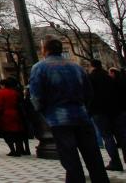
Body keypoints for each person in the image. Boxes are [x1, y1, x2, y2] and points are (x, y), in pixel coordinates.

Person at [29, 36, 109, 183]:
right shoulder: (77, 67)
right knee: (94, 158)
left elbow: (36, 96)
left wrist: (43, 111)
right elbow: (89, 93)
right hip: (82, 116)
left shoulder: (39, 67)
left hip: (59, 119)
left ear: (45, 50)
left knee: (70, 160)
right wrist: (84, 109)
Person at [88, 60, 126, 172]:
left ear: (91, 67)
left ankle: (115, 162)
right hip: (116, 110)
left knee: (107, 137)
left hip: (99, 111)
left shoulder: (90, 78)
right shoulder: (110, 78)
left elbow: (87, 94)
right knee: (122, 136)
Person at [0, 77, 25, 156]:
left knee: (7, 133)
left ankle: (12, 150)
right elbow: (19, 102)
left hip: (5, 115)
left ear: (3, 85)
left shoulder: (1, 93)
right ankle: (18, 150)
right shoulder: (15, 92)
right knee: (17, 133)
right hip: (15, 113)